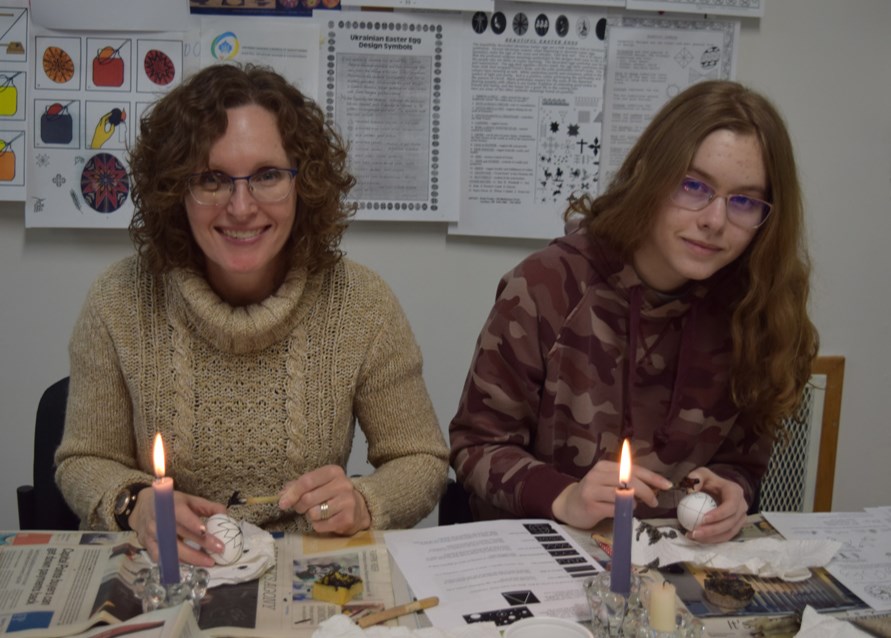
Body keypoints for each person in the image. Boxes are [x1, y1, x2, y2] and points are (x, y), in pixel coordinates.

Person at [55, 63, 449, 567]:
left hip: (307, 571)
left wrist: (368, 501)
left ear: (303, 184)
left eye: (267, 176)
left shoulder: (362, 304)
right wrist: (134, 504)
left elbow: (420, 458)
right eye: (212, 179)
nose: (241, 207)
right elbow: (83, 459)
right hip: (170, 569)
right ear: (176, 190)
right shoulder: (118, 300)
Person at [449, 80, 818, 543]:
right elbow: (476, 447)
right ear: (650, 176)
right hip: (549, 551)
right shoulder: (547, 286)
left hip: (678, 557)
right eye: (693, 185)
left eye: (743, 200)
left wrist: (733, 488)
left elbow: (743, 460)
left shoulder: (757, 304)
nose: (714, 220)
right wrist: (565, 498)